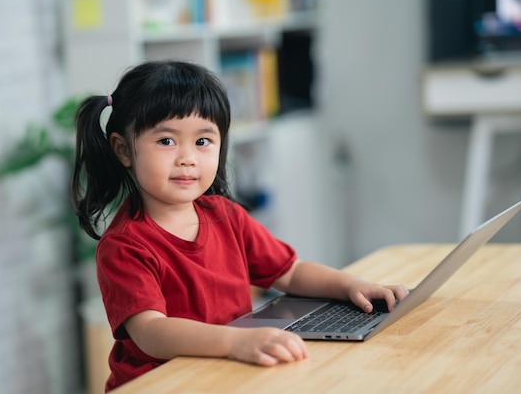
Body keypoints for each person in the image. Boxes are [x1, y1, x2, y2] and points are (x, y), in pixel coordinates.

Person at [71, 60, 409, 392]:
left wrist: (351, 286)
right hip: (165, 383)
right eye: (167, 141)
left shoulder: (226, 215)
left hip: (227, 372)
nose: (187, 157)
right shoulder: (125, 245)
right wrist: (236, 342)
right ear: (122, 149)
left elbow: (289, 271)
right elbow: (152, 333)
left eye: (202, 141)